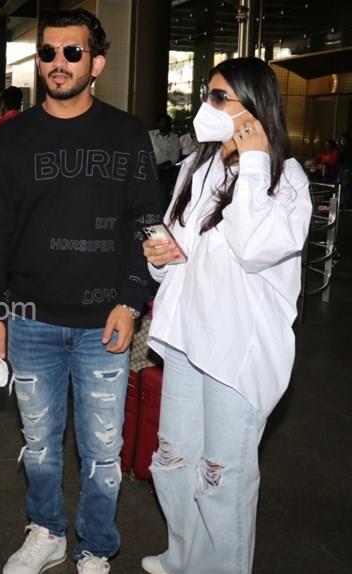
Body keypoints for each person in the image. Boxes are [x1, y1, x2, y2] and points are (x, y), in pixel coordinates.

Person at [0, 9, 161, 574]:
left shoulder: (127, 134)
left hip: (104, 322)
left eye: (72, 52)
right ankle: (48, 531)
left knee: (103, 450)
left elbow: (145, 224)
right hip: (29, 321)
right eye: (48, 52)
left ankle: (97, 546)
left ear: (96, 63)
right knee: (39, 444)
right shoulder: (10, 138)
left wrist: (130, 302)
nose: (58, 62)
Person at [139, 57, 312, 574]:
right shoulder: (196, 167)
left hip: (236, 350)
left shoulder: (285, 177)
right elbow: (175, 255)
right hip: (185, 338)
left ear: (254, 108)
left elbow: (256, 249)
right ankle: (185, 556)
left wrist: (254, 163)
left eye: (219, 98)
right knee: (172, 460)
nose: (206, 107)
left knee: (222, 475)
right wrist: (158, 258)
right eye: (206, 94)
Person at [149, 113, 181, 203]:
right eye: (162, 122)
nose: (164, 124)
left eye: (167, 122)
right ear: (157, 123)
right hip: (149, 168)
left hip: (165, 170)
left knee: (163, 192)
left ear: (170, 124)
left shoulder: (174, 138)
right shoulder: (150, 135)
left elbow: (174, 157)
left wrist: (159, 167)